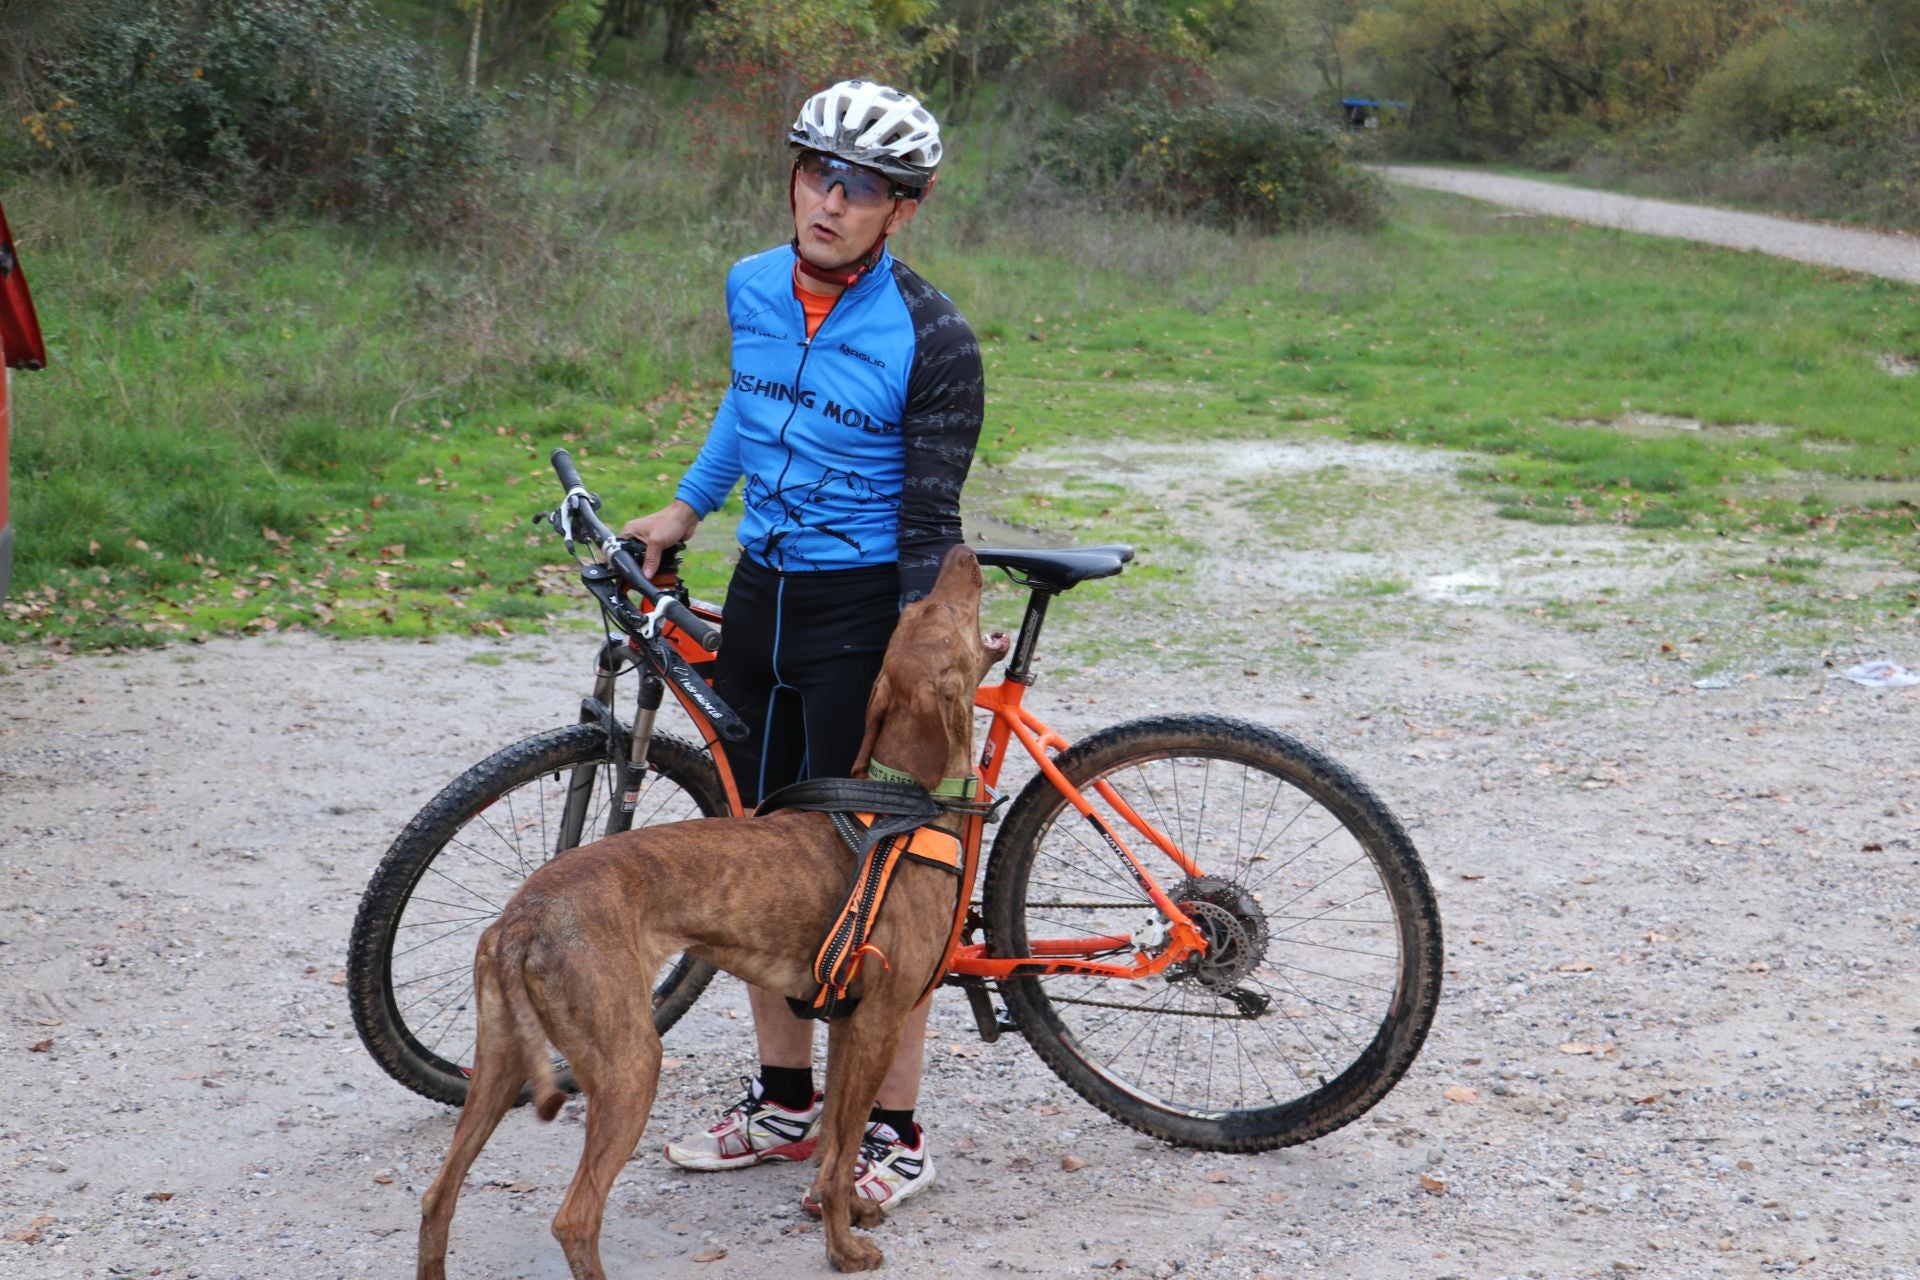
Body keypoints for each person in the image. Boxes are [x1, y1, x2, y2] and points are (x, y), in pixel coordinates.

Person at [621, 79, 983, 1213]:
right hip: (764, 597)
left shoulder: (934, 336)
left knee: (879, 884)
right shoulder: (750, 285)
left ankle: (895, 1131)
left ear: (901, 209)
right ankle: (785, 1105)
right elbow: (747, 400)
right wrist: (685, 509)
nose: (832, 199)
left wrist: (928, 660)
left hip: (862, 617)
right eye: (818, 173)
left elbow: (932, 514)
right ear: (792, 176)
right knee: (753, 859)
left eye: (863, 186)